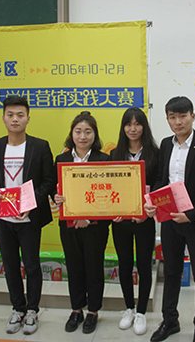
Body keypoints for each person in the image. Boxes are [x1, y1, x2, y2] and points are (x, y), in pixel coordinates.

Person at [145, 96, 195, 342]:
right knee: (172, 271)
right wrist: (154, 202)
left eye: (183, 116)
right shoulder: (166, 145)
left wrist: (191, 214)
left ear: (192, 117)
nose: (178, 122)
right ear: (167, 119)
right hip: (169, 220)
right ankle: (170, 321)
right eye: (172, 117)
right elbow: (161, 179)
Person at [0, 96, 55, 336]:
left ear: (28, 118)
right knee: (10, 265)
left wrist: (31, 203)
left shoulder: (40, 146)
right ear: (3, 118)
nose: (15, 119)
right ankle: (17, 308)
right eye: (10, 115)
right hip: (4, 218)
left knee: (32, 265)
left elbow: (49, 180)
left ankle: (32, 310)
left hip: (29, 218)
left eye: (20, 115)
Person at [53, 111, 110, 335]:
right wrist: (55, 197)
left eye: (88, 131)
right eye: (78, 131)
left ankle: (93, 311)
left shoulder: (103, 160)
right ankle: (76, 310)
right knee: (74, 267)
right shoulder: (62, 160)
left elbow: (106, 193)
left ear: (94, 135)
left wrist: (88, 217)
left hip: (95, 226)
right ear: (72, 134)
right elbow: (54, 189)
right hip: (68, 224)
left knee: (94, 267)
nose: (83, 136)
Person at [109, 108, 160, 336]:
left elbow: (159, 185)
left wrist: (147, 211)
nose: (133, 129)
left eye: (137, 124)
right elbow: (109, 186)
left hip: (144, 220)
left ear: (143, 127)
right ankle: (128, 308)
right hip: (120, 221)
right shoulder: (114, 154)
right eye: (128, 124)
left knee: (144, 265)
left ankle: (141, 312)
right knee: (125, 263)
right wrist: (113, 211)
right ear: (123, 128)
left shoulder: (155, 154)